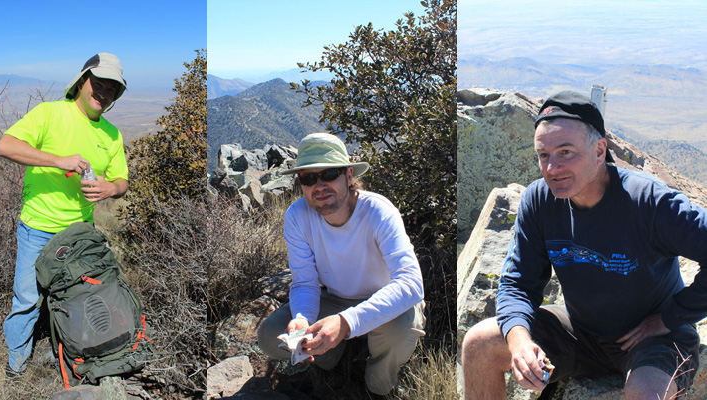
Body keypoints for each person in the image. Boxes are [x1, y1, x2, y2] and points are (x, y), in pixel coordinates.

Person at [461, 91, 704, 400]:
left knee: (647, 394)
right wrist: (520, 342)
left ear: (600, 151)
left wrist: (670, 318)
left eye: (565, 152)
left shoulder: (648, 202)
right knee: (479, 344)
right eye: (543, 155)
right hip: (579, 332)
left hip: (653, 341)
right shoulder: (539, 201)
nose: (551, 168)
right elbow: (519, 283)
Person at [257, 132, 426, 395]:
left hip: (384, 299)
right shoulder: (297, 217)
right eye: (309, 178)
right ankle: (331, 357)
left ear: (348, 175)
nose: (320, 186)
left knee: (400, 331)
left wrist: (346, 322)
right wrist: (302, 319)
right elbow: (305, 282)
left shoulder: (379, 212)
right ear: (301, 184)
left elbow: (411, 284)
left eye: (329, 174)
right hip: (335, 298)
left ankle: (378, 385)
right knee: (270, 335)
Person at [0, 52, 129, 377]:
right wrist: (59, 160)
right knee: (28, 299)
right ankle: (15, 368)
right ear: (81, 83)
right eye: (97, 84)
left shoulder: (111, 135)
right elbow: (5, 146)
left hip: (79, 234)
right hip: (38, 227)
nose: (103, 93)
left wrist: (110, 190)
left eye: (111, 88)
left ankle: (78, 359)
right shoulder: (50, 114)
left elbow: (121, 180)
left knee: (81, 298)